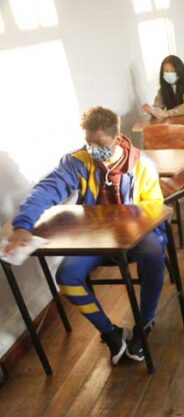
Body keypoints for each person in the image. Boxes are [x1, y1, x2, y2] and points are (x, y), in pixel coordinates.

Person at [3, 107, 165, 364]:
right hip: (96, 238)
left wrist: (140, 232)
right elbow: (46, 189)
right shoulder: (78, 161)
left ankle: (145, 323)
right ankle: (110, 333)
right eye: (88, 142)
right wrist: (23, 225)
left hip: (135, 236)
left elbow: (155, 211)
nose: (92, 148)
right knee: (67, 276)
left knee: (155, 253)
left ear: (116, 137)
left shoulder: (143, 166)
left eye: (99, 143)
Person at [142, 55, 184, 199]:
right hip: (177, 128)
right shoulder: (163, 89)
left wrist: (167, 113)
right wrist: (153, 110)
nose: (168, 74)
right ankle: (168, 184)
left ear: (179, 71)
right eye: (165, 71)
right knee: (159, 146)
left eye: (171, 70)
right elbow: (158, 104)